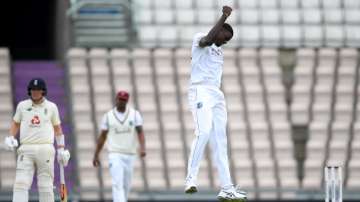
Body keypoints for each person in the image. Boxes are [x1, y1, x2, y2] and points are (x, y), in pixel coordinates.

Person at [184, 6, 247, 202]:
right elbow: (208, 40)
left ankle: (226, 188)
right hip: (200, 90)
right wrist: (224, 16)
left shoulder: (219, 52)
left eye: (227, 41)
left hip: (216, 94)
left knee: (221, 141)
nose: (224, 42)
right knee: (203, 132)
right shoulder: (201, 38)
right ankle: (190, 180)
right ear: (218, 30)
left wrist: (220, 38)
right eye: (224, 37)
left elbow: (215, 42)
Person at [4, 78, 71, 202]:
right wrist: (11, 137)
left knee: (45, 185)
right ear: (29, 91)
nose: (35, 92)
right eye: (33, 90)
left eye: (38, 90)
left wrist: (61, 149)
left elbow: (58, 129)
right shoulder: (22, 106)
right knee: (20, 184)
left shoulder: (51, 107)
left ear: (43, 91)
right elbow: (15, 123)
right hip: (26, 149)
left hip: (45, 149)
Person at [93, 90, 146, 202]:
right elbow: (102, 136)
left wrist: (143, 148)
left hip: (130, 154)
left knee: (126, 185)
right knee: (117, 183)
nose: (121, 102)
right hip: (115, 154)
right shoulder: (108, 116)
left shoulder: (135, 115)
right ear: (116, 99)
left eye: (124, 100)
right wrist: (96, 154)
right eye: (120, 99)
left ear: (127, 101)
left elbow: (140, 132)